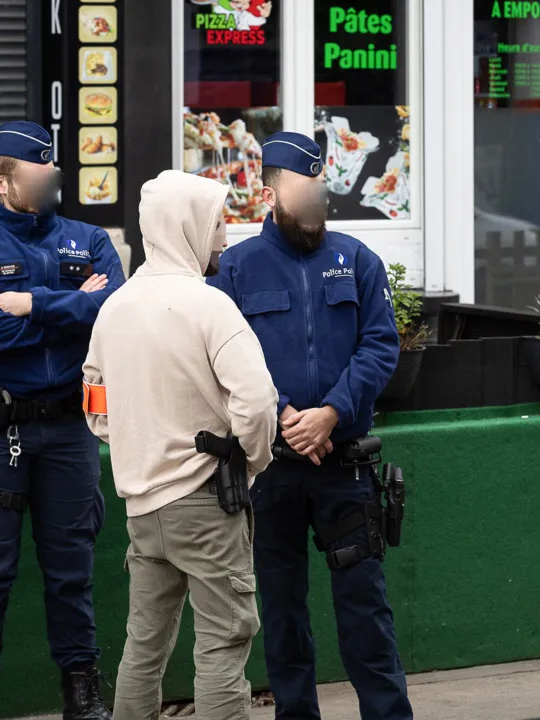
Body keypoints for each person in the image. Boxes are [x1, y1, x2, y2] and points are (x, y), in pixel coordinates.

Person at [209, 131, 413, 720]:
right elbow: (221, 359)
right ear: (272, 194)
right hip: (270, 469)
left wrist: (330, 413)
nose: (316, 206)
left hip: (344, 465)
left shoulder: (357, 261)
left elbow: (379, 346)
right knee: (283, 611)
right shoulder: (237, 269)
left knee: (365, 608)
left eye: (320, 193)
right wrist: (280, 417)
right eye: (304, 193)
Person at [0, 121, 125, 720]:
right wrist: (74, 311)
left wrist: (34, 303)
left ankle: (82, 692)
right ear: (2, 181)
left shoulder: (90, 240)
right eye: (37, 174)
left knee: (71, 570)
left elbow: (112, 314)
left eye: (53, 173)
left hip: (70, 429)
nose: (50, 181)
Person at [82, 170, 278, 720]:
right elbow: (258, 401)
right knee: (222, 642)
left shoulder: (113, 308)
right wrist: (253, 460)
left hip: (142, 508)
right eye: (217, 222)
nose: (223, 237)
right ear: (189, 226)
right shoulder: (209, 305)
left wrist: (139, 442)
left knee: (143, 647)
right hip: (209, 501)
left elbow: (95, 407)